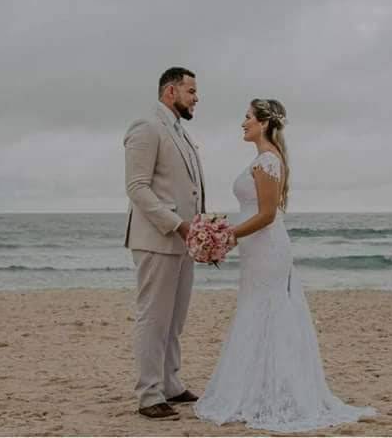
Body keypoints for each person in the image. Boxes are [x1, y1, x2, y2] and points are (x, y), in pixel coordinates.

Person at [194, 99, 377, 432]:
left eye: (247, 117)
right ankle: (259, 386)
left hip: (266, 247)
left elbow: (265, 216)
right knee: (256, 309)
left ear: (263, 123)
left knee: (267, 311)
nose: (242, 123)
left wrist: (228, 235)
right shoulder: (264, 159)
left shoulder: (267, 161)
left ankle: (275, 391)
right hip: (258, 249)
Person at [123, 67, 205, 421]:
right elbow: (137, 187)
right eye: (191, 91)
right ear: (170, 92)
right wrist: (177, 224)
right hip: (157, 239)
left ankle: (171, 383)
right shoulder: (147, 127)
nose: (196, 98)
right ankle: (148, 394)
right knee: (154, 318)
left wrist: (200, 227)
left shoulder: (181, 133)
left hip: (184, 241)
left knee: (175, 320)